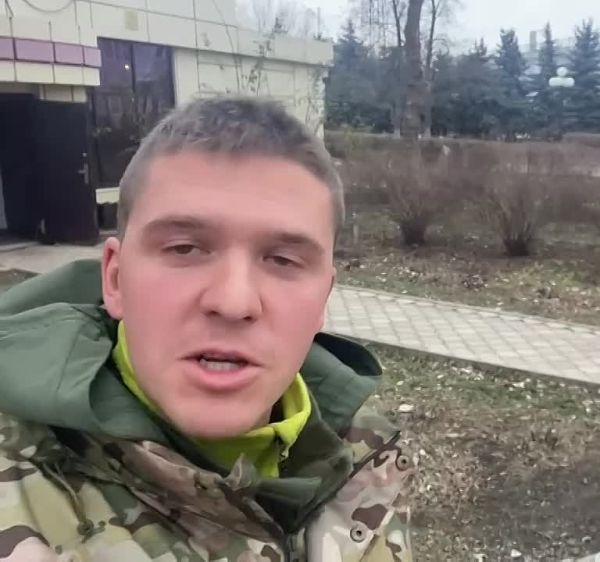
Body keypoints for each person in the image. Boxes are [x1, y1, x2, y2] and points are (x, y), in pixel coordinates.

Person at [0, 98, 413, 561]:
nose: (233, 302)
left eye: (282, 260)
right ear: (115, 278)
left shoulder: (364, 453)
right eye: (184, 249)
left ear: (323, 299)